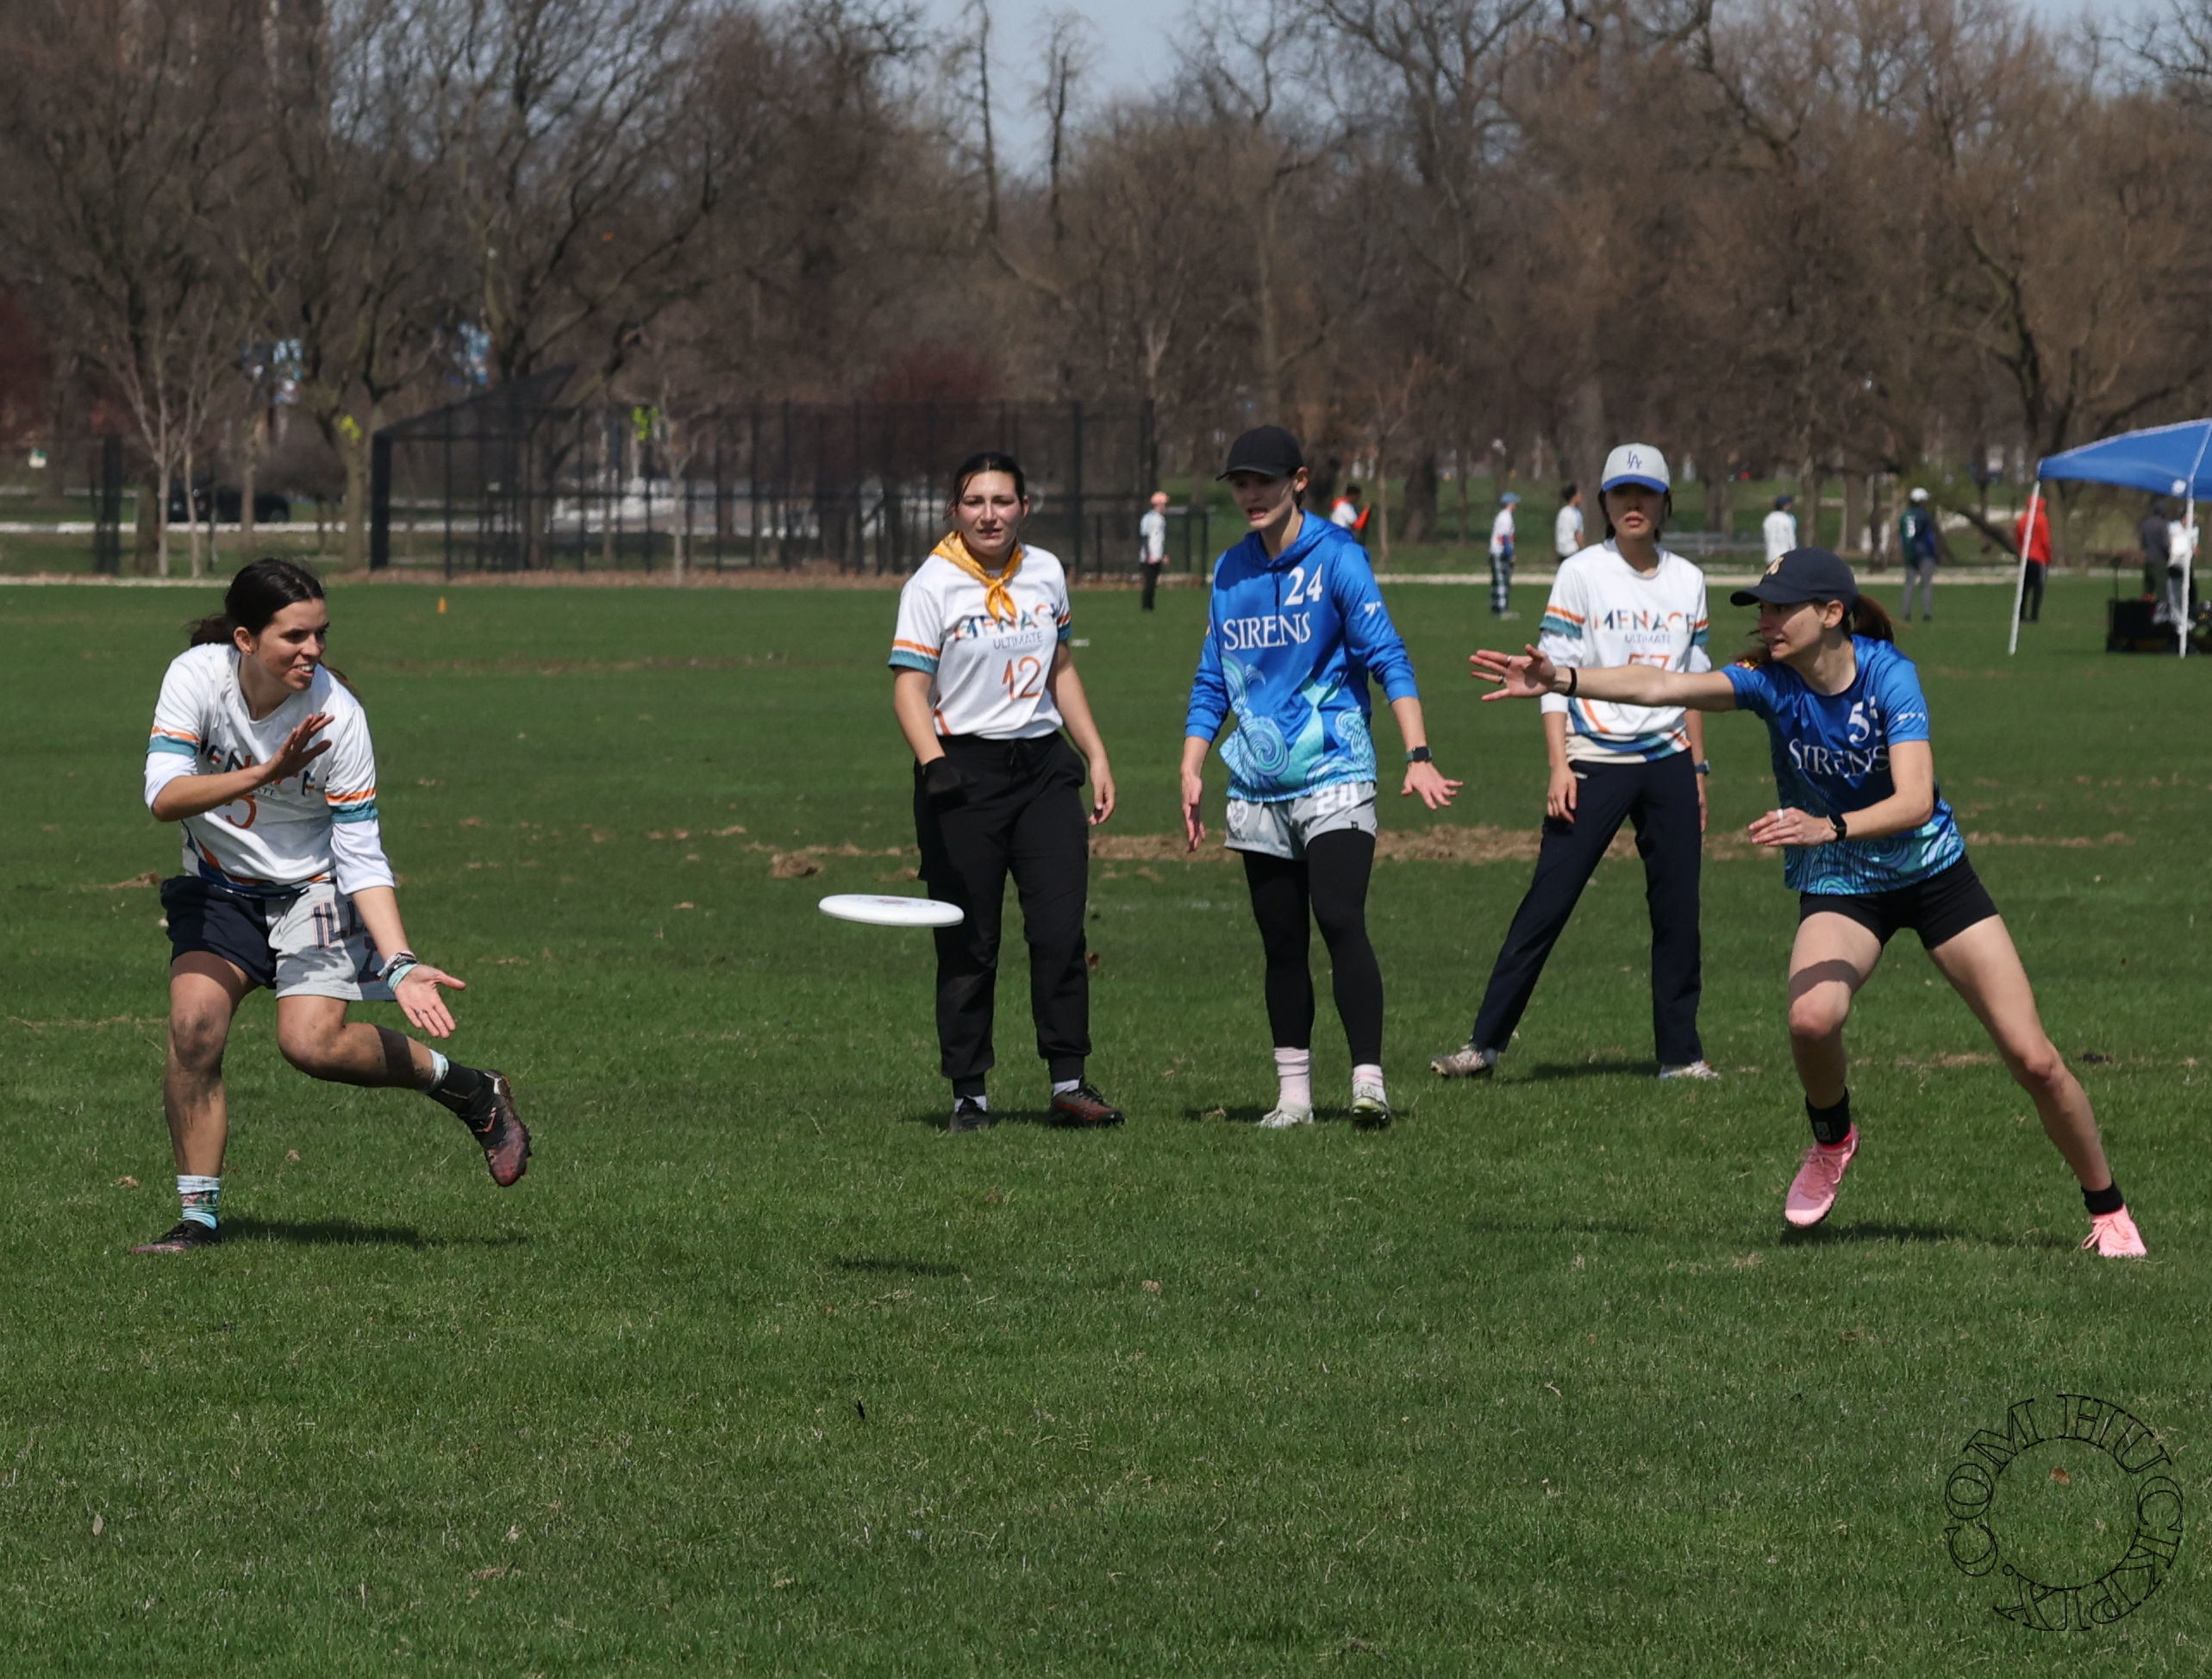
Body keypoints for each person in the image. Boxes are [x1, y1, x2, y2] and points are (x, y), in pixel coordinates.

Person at [1471, 546, 2147, 1258]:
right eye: (1761, 608)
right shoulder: (1770, 681)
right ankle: (1832, 1139)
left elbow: (1916, 800)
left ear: (1830, 613)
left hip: (1933, 876)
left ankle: (2107, 1208)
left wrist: (1830, 826)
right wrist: (1562, 678)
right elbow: (1663, 684)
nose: (1765, 621)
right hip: (1841, 884)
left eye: (1779, 608)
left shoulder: (1889, 675)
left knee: (2034, 1060)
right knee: (1811, 1019)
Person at [134, 559, 529, 1254]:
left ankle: (470, 1088)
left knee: (311, 1045)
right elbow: (163, 797)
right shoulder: (195, 676)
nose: (313, 650)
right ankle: (197, 1221)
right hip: (219, 885)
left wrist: (400, 962)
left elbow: (362, 853)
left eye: (320, 633)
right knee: (193, 1029)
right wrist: (264, 773)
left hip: (312, 889)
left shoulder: (339, 716)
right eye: (295, 636)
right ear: (246, 639)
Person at [1181, 425, 1461, 1129]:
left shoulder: (1338, 557)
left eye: (1264, 481)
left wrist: (1418, 752)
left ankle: (1368, 1082)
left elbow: (1388, 657)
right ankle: (1295, 1100)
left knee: (1338, 916)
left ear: (1299, 481)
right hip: (1256, 786)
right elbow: (1213, 678)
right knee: (1281, 943)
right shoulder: (1230, 571)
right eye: (1240, 483)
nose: (1251, 494)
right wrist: (1191, 765)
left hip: (1337, 768)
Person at [1432, 443, 1718, 1083]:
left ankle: (1681, 1056)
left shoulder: (1689, 580)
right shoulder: (1581, 573)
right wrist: (1558, 764)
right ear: (1605, 504)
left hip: (1669, 759)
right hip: (1593, 758)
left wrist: (1698, 770)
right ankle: (1484, 1046)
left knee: (1679, 912)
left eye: (1646, 494)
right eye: (1621, 494)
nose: (1633, 504)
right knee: (1548, 902)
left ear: (1666, 503)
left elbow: (1694, 684)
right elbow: (1548, 676)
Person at [890, 451, 1124, 1133]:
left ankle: (1070, 1084)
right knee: (970, 940)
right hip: (962, 773)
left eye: (1002, 501)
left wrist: (1096, 753)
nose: (989, 515)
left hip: (1043, 770)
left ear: (1025, 506)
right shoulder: (932, 584)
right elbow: (909, 689)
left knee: (1059, 932)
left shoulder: (1045, 571)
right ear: (953, 510)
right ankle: (970, 1094)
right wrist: (936, 766)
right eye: (975, 502)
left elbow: (1060, 668)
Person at [1897, 487, 1945, 622]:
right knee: (1926, 584)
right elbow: (1929, 537)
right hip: (1925, 554)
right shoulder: (1925, 516)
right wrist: (1934, 553)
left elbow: (1902, 537)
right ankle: (1926, 613)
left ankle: (1906, 613)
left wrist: (1906, 552)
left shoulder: (1905, 516)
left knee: (1909, 584)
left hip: (1909, 553)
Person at [2013, 495, 2051, 623]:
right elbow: (2045, 541)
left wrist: (2021, 552)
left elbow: (2018, 538)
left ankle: (2021, 615)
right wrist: (2048, 556)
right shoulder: (2042, 519)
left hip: (2025, 557)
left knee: (2024, 588)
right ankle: (2034, 616)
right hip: (2039, 558)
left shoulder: (2022, 519)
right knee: (2038, 588)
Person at [1489, 490, 1522, 618]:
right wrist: (1510, 554)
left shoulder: (1502, 516)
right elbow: (1504, 537)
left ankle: (1495, 605)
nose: (1516, 504)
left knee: (1497, 581)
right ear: (1509, 503)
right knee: (1502, 581)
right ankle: (1502, 609)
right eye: (1514, 502)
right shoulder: (1506, 517)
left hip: (1497, 552)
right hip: (1500, 552)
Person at [1138, 489, 1170, 612]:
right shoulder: (1148, 518)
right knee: (1149, 582)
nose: (1165, 507)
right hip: (1149, 557)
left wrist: (1162, 555)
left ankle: (1150, 606)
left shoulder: (1161, 519)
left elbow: (1159, 540)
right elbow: (1145, 537)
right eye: (1163, 504)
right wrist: (1148, 555)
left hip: (1156, 556)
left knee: (1153, 582)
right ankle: (1146, 606)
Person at [2165, 505, 2196, 627]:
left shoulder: (2194, 530)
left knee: (2187, 594)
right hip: (2174, 565)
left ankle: (2185, 618)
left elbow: (2193, 547)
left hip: (2186, 566)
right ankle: (2176, 619)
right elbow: (2168, 542)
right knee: (2174, 595)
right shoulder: (2173, 527)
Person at [2140, 497, 2171, 602]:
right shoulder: (2163, 524)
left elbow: (2143, 543)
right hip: (2159, 560)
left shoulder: (2146, 523)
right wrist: (2169, 554)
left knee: (2148, 588)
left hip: (2148, 559)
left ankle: (2145, 607)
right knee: (2162, 590)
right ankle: (2163, 609)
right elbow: (2165, 544)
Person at [1764, 493, 1798, 565]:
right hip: (1785, 556)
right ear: (1785, 506)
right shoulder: (1787, 519)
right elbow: (1791, 540)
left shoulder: (1768, 519)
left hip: (1771, 556)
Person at [1553, 483, 1584, 560]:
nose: (1581, 496)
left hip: (1561, 552)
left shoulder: (1562, 512)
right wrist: (1584, 551)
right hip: (1572, 553)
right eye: (1579, 494)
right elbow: (1578, 535)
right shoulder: (1576, 513)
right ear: (1574, 497)